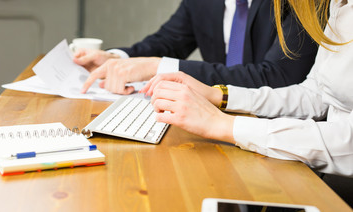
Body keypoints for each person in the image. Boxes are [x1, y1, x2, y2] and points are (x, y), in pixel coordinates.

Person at [140, 0, 353, 177]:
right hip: (323, 166)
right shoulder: (337, 5)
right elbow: (315, 94)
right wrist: (219, 94)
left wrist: (225, 125)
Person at [74, 0, 317, 95]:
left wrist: (158, 68)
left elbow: (281, 76)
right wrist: (116, 58)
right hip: (213, 120)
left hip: (280, 133)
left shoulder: (300, 3)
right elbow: (169, 41)